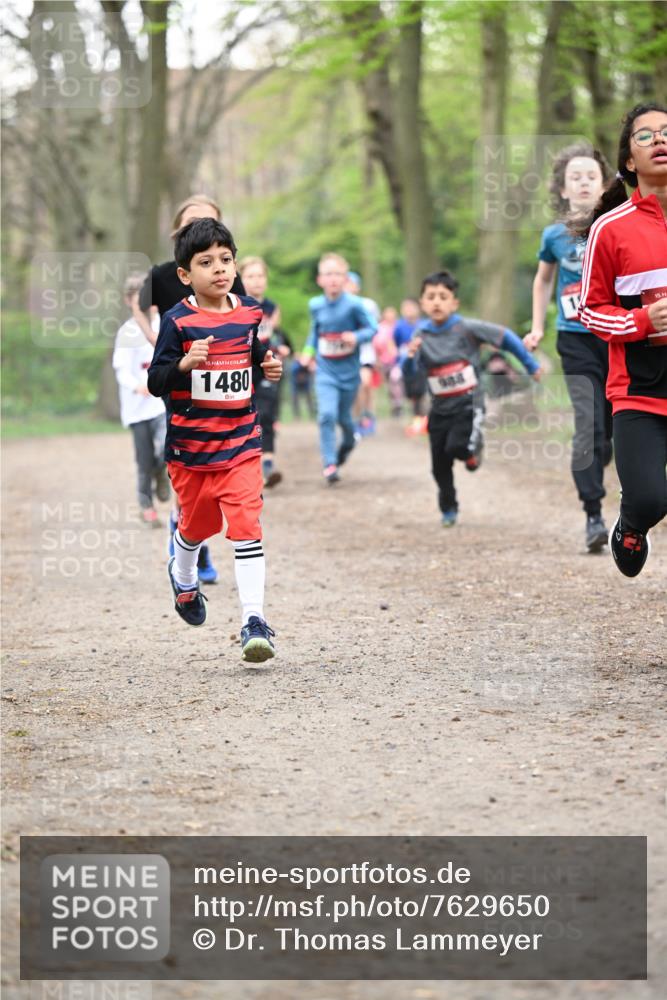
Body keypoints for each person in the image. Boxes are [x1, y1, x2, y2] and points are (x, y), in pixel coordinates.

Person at [147, 218, 283, 662]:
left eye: (226, 259)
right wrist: (184, 364)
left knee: (246, 525)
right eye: (206, 262)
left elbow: (252, 347)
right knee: (198, 527)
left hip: (242, 442)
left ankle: (253, 620)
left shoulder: (248, 311)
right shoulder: (177, 320)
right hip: (191, 449)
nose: (219, 269)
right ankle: (183, 577)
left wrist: (268, 363)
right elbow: (155, 381)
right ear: (186, 274)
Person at [577, 102, 667, 577]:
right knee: (652, 497)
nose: (660, 140)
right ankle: (633, 520)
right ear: (629, 161)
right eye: (645, 136)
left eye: (666, 132)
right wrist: (643, 321)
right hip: (639, 393)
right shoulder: (610, 230)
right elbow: (591, 309)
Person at [139, 194, 247, 585]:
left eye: (208, 220)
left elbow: (247, 318)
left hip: (225, 380)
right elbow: (137, 304)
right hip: (181, 378)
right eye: (191, 221)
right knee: (191, 471)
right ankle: (189, 548)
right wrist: (155, 338)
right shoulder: (165, 275)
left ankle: (192, 546)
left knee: (226, 474)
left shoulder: (228, 275)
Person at [524, 143, 613, 553]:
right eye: (574, 176)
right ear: (562, 188)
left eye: (590, 176)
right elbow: (543, 280)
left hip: (615, 337)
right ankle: (593, 513)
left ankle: (605, 453)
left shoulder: (615, 226)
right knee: (588, 421)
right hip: (574, 338)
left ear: (604, 184)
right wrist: (538, 326)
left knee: (610, 428)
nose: (582, 182)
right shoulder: (554, 235)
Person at [403, 270, 542, 526]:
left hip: (469, 403)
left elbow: (506, 338)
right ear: (422, 303)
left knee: (456, 446)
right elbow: (410, 373)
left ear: (454, 303)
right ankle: (449, 508)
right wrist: (409, 358)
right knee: (439, 466)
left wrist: (530, 365)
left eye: (443, 297)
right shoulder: (419, 336)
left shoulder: (467, 328)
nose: (436, 302)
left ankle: (472, 450)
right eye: (430, 297)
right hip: (439, 407)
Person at [301, 253, 377, 483]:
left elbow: (372, 329)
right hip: (325, 371)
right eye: (328, 274)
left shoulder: (355, 305)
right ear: (319, 279)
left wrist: (355, 336)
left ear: (345, 279)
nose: (333, 279)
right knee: (326, 415)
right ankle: (330, 463)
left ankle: (347, 444)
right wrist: (307, 353)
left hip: (349, 373)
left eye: (337, 274)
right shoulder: (315, 305)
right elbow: (315, 332)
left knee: (344, 419)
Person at [112, 273, 169, 526]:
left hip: (160, 404)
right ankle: (146, 506)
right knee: (144, 459)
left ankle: (162, 469)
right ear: (129, 302)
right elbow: (121, 369)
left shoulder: (165, 325)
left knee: (166, 446)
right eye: (139, 299)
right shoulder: (127, 332)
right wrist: (138, 386)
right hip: (137, 409)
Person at [238, 256, 292, 488]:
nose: (257, 281)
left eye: (260, 276)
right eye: (251, 276)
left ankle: (268, 463)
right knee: (245, 416)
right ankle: (243, 465)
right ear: (240, 279)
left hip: (267, 364)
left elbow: (277, 334)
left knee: (267, 413)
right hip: (243, 366)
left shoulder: (272, 308)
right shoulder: (235, 305)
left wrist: (285, 348)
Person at [346, 270, 381, 437]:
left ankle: (369, 415)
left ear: (357, 287)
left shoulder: (368, 305)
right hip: (347, 354)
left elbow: (375, 328)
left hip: (366, 352)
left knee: (365, 384)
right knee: (355, 388)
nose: (348, 287)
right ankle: (357, 419)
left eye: (351, 284)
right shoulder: (339, 306)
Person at [395, 297, 428, 434]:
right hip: (406, 365)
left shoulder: (425, 325)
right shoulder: (399, 326)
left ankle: (424, 420)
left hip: (423, 364)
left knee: (423, 392)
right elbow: (396, 343)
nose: (408, 311)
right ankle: (416, 420)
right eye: (405, 308)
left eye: (411, 307)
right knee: (412, 394)